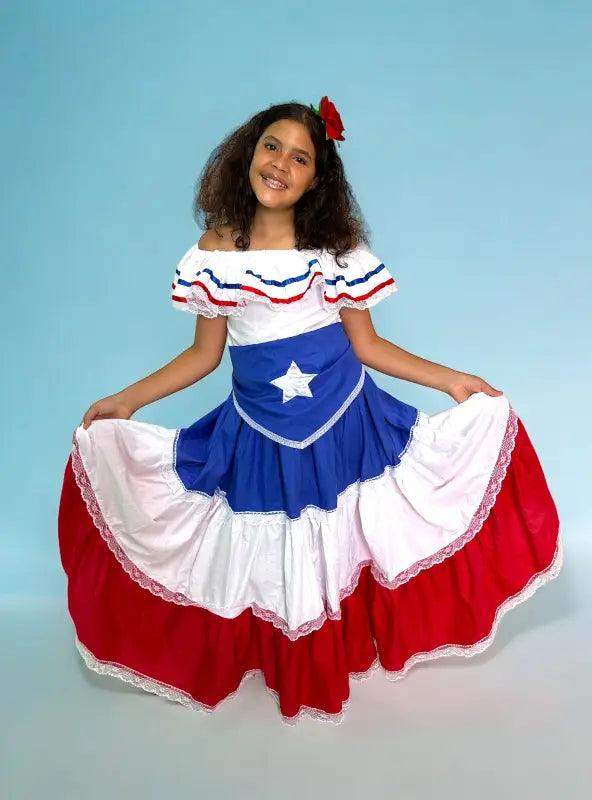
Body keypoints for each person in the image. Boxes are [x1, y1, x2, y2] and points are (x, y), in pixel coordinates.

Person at [58, 96, 563, 726]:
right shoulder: (218, 250)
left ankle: (340, 649)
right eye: (272, 146)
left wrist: (452, 380)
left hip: (345, 424)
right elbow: (203, 356)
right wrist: (127, 400)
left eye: (301, 158)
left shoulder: (334, 249)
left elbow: (368, 345)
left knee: (346, 534)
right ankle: (288, 659)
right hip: (259, 433)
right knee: (275, 545)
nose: (280, 164)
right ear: (248, 151)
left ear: (317, 178)